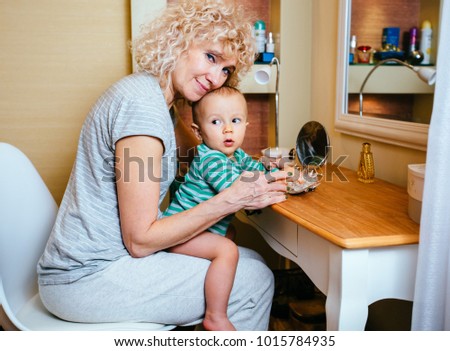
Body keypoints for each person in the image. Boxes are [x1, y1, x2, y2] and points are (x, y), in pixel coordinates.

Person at [37, 0, 288, 331]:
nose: (215, 78)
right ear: (179, 40)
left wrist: (261, 168)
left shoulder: (160, 103)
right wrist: (233, 198)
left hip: (98, 265)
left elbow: (203, 156)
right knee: (254, 280)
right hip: (87, 277)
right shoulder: (142, 108)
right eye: (210, 57)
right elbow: (140, 240)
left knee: (247, 258)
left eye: (226, 69)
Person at [164, 86, 274, 330]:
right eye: (216, 122)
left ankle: (213, 284)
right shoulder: (211, 158)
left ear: (246, 124)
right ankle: (215, 315)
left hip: (198, 230)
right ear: (198, 131)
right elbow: (236, 187)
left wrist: (276, 173)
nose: (228, 129)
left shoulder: (235, 155)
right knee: (227, 250)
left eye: (235, 120)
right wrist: (270, 180)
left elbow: (256, 170)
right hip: (177, 234)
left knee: (230, 234)